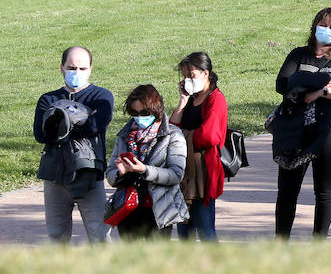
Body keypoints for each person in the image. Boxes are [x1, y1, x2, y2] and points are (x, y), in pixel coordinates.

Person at [273, 8, 331, 239]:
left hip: (329, 133)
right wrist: (323, 85)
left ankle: (318, 243)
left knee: (324, 191)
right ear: (314, 27)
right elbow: (283, 84)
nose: (327, 31)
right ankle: (280, 243)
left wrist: (319, 92)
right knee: (287, 191)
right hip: (295, 131)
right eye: (323, 25)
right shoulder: (297, 55)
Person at [33, 46, 114, 243]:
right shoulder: (48, 99)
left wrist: (61, 120)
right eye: (72, 68)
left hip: (89, 177)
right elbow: (42, 135)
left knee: (101, 237)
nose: (77, 72)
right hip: (55, 178)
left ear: (91, 69)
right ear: (62, 68)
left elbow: (95, 126)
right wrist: (82, 117)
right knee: (56, 239)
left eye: (82, 68)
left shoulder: (102, 96)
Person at [106, 85, 189, 239]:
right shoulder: (124, 135)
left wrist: (144, 170)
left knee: (157, 258)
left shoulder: (172, 135)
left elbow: (176, 174)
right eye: (134, 113)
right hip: (128, 208)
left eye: (144, 113)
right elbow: (110, 174)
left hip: (159, 209)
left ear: (155, 109)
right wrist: (120, 173)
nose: (139, 117)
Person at [169, 51, 226, 241]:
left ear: (206, 73)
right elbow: (172, 128)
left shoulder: (216, 99)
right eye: (185, 76)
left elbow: (209, 136)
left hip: (203, 175)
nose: (187, 79)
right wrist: (183, 100)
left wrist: (182, 138)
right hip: (184, 173)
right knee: (184, 231)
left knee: (205, 229)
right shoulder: (191, 99)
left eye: (191, 75)